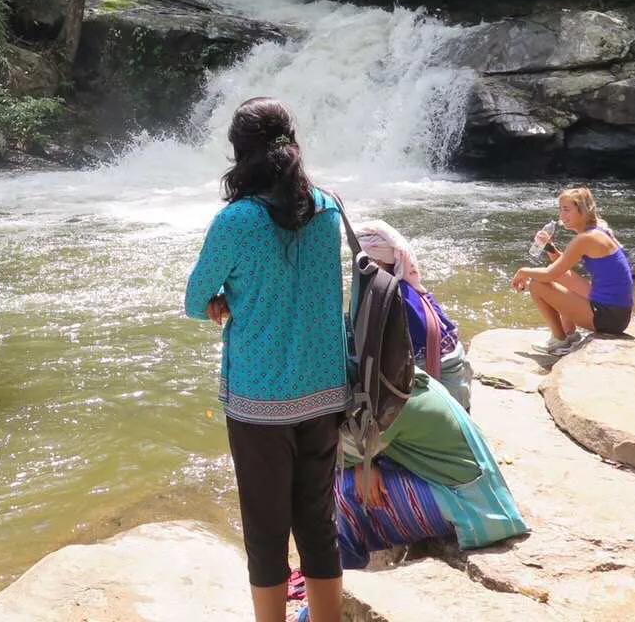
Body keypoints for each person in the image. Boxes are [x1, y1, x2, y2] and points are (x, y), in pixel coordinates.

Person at [184, 97, 347, 622]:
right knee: (318, 524)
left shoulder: (236, 221)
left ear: (240, 153)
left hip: (259, 400)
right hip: (324, 390)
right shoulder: (328, 207)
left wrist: (225, 300)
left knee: (265, 530)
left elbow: (194, 299)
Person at [332, 371, 527, 570]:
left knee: (337, 488)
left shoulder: (390, 405)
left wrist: (361, 464)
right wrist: (363, 464)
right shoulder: (398, 379)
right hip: (470, 492)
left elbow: (334, 456)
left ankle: (342, 577)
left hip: (471, 508)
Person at [355, 220, 473, 409]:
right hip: (457, 375)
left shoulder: (391, 294)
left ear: (377, 262)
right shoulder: (407, 284)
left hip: (443, 384)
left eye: (361, 261)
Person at [510, 186, 634, 355]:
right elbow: (560, 269)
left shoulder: (585, 239)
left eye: (566, 210)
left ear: (582, 210)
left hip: (608, 317)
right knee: (559, 276)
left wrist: (523, 271)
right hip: (617, 313)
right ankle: (570, 335)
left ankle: (560, 340)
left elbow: (550, 275)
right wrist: (549, 247)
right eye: (560, 210)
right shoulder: (597, 229)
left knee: (538, 284)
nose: (561, 216)